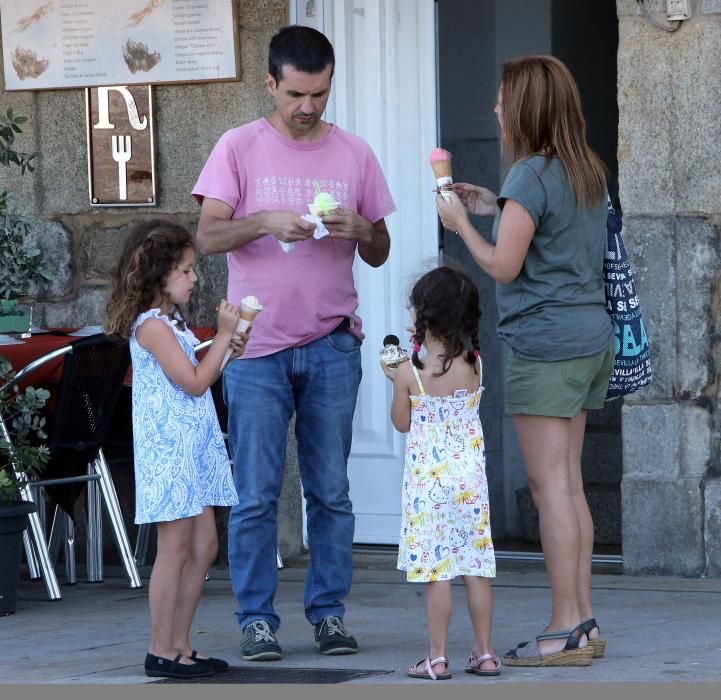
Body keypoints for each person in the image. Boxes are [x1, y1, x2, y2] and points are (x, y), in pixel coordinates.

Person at [192, 25, 395, 661]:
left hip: (332, 343)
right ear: (271, 83)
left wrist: (363, 228)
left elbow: (381, 250)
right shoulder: (238, 147)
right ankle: (256, 620)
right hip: (254, 349)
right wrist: (262, 222)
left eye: (320, 95)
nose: (308, 107)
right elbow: (204, 236)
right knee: (254, 493)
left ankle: (329, 615)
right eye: (297, 95)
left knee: (330, 490)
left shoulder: (356, 153)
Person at [435, 55, 614, 667]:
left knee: (549, 488)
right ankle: (585, 622)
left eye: (502, 97)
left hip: (545, 344)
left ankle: (563, 626)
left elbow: (503, 266)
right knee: (570, 483)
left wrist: (461, 224)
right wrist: (491, 204)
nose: (495, 108)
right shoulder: (583, 167)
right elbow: (547, 232)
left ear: (527, 106)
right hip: (589, 339)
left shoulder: (529, 175)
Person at [105, 220, 247, 679]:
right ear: (159, 273)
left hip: (194, 446)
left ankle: (182, 643)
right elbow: (192, 382)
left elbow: (201, 372)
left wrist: (227, 350)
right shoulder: (150, 326)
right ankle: (160, 648)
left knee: (204, 545)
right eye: (186, 270)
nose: (194, 278)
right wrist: (223, 336)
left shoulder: (173, 322)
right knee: (175, 548)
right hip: (169, 452)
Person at [380, 266, 500, 681]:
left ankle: (437, 656)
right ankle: (484, 652)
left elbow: (401, 423)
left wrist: (396, 383)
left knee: (438, 572)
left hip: (429, 485)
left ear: (424, 317)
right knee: (477, 566)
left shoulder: (412, 373)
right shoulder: (475, 364)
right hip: (470, 483)